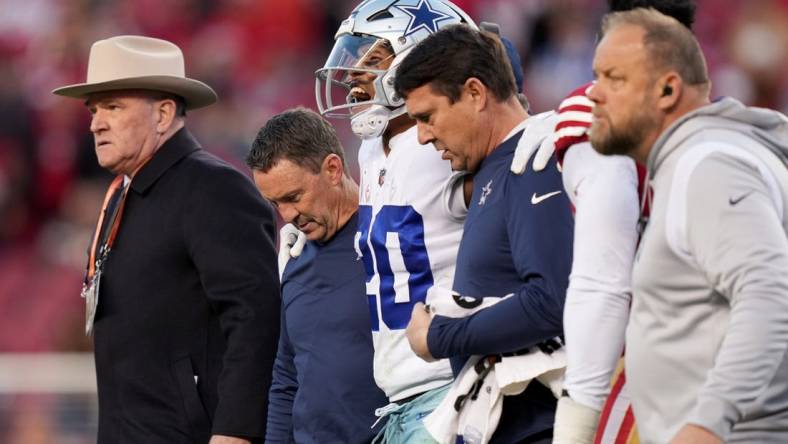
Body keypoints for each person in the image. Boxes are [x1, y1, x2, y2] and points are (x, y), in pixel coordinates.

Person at [52, 35, 280, 443]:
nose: (95, 123)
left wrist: (235, 431)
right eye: (94, 109)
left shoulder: (214, 188)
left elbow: (255, 317)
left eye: (114, 106)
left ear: (163, 114)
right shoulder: (121, 198)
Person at [588, 8, 788, 443]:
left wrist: (709, 423)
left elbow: (769, 292)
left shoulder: (706, 165)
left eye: (613, 78)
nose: (593, 93)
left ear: (667, 89)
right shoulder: (701, 158)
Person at [525, 2, 697, 443]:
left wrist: (579, 414)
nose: (599, 89)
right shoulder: (724, 125)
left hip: (645, 371)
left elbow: (603, 279)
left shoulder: (597, 111)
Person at [395, 24, 575, 443]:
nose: (422, 136)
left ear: (475, 94)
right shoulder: (494, 169)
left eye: (427, 116)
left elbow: (552, 300)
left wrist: (438, 336)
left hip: (543, 426)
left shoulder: (536, 157)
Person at [314, 1, 477, 442]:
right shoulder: (371, 149)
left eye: (372, 58)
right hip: (398, 396)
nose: (351, 75)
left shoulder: (445, 143)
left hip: (449, 383)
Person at [246, 108, 388, 443]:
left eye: (294, 197)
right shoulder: (294, 261)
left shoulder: (392, 240)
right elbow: (286, 376)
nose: (287, 215)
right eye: (275, 203)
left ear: (333, 169)